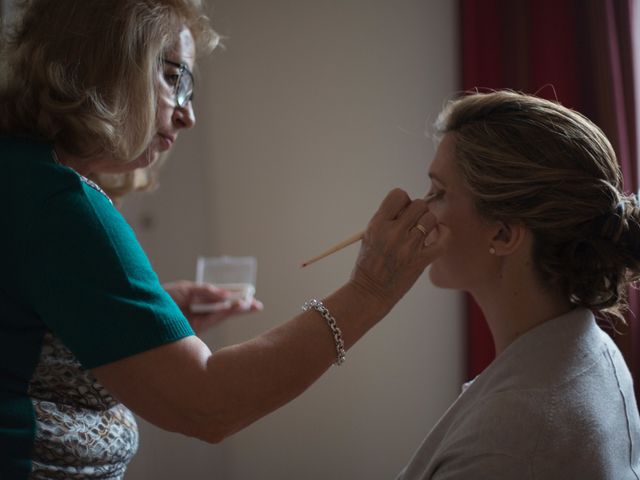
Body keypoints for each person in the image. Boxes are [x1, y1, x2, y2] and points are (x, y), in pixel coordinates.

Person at [0, 1, 445, 478]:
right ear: (107, 60)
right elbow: (207, 404)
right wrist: (369, 292)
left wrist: (140, 322)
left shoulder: (19, 175)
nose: (188, 114)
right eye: (175, 78)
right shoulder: (60, 204)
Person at [397, 90, 640, 479]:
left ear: (504, 233)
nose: (420, 211)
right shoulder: (592, 349)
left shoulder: (509, 443)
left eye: (438, 193)